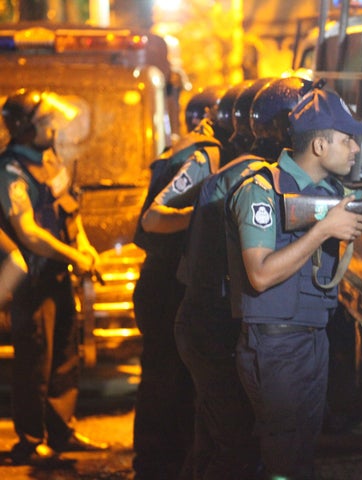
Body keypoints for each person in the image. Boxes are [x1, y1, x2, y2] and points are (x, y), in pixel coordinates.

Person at [225, 86, 362, 480]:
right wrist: (323, 231)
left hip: (309, 338)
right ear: (321, 146)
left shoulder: (331, 193)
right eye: (347, 140)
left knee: (300, 455)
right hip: (276, 344)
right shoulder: (261, 190)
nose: (355, 149)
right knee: (283, 457)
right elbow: (259, 274)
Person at [174, 76, 311, 480]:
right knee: (234, 447)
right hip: (214, 327)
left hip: (202, 321)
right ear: (287, 129)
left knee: (215, 439)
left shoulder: (241, 167)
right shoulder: (254, 179)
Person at [131, 84, 241, 480]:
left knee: (167, 381)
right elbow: (154, 218)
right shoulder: (203, 153)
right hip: (165, 283)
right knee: (167, 384)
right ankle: (156, 468)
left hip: (161, 280)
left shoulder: (187, 146)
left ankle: (159, 465)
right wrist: (208, 217)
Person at [0, 88, 108, 465]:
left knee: (65, 352)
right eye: (46, 123)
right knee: (35, 361)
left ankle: (61, 431)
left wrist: (85, 246)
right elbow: (28, 231)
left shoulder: (50, 158)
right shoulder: (10, 169)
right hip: (31, 281)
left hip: (60, 275)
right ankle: (30, 440)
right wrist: (73, 256)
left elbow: (69, 209)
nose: (53, 128)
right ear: (26, 129)